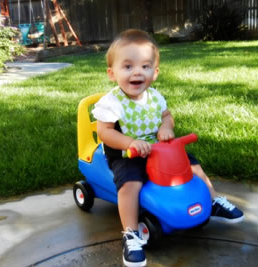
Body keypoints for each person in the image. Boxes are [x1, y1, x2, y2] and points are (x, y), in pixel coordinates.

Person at [92, 29, 244, 267]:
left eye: (145, 66)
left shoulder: (155, 97)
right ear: (112, 73)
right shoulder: (111, 103)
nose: (137, 72)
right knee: (130, 184)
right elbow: (105, 133)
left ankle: (213, 200)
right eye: (128, 66)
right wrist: (130, 143)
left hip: (160, 151)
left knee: (193, 166)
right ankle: (131, 234)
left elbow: (167, 115)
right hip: (127, 154)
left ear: (155, 72)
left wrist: (166, 127)